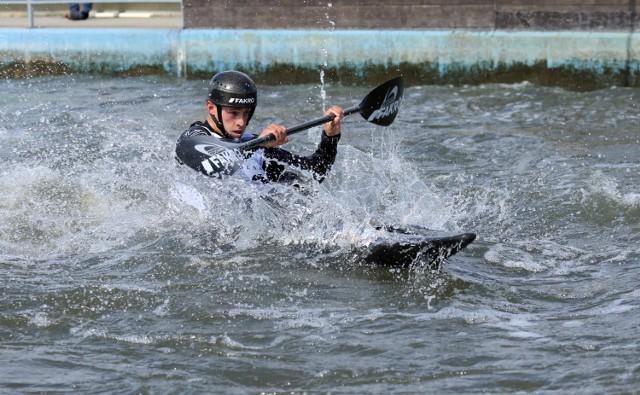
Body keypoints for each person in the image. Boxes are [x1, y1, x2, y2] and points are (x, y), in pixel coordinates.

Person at [175, 70, 344, 184]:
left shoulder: (256, 145)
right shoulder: (192, 137)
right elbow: (214, 163)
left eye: (246, 112)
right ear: (211, 108)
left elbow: (315, 174)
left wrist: (330, 137)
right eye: (233, 113)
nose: (241, 122)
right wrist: (257, 146)